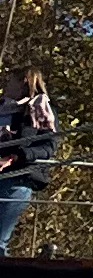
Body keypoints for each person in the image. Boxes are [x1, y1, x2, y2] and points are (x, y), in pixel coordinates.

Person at [0, 70, 53, 255]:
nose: (6, 85)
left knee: (0, 239)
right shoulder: (2, 107)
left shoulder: (39, 109)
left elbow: (48, 148)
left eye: (10, 81)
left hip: (17, 179)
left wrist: (16, 156)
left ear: (23, 83)